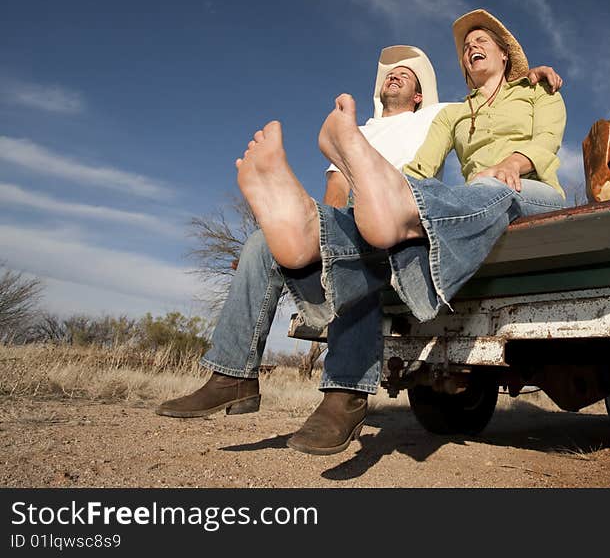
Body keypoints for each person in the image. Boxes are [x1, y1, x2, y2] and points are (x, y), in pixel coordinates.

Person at [156, 39, 562, 456]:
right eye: (467, 45)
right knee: (275, 243)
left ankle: (344, 392)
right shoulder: (434, 119)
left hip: (509, 189)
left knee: (467, 195)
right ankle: (232, 373)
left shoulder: (467, 105)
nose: (472, 47)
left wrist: (529, 86)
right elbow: (409, 169)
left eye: (483, 43)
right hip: (383, 209)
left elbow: (545, 141)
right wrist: (318, 233)